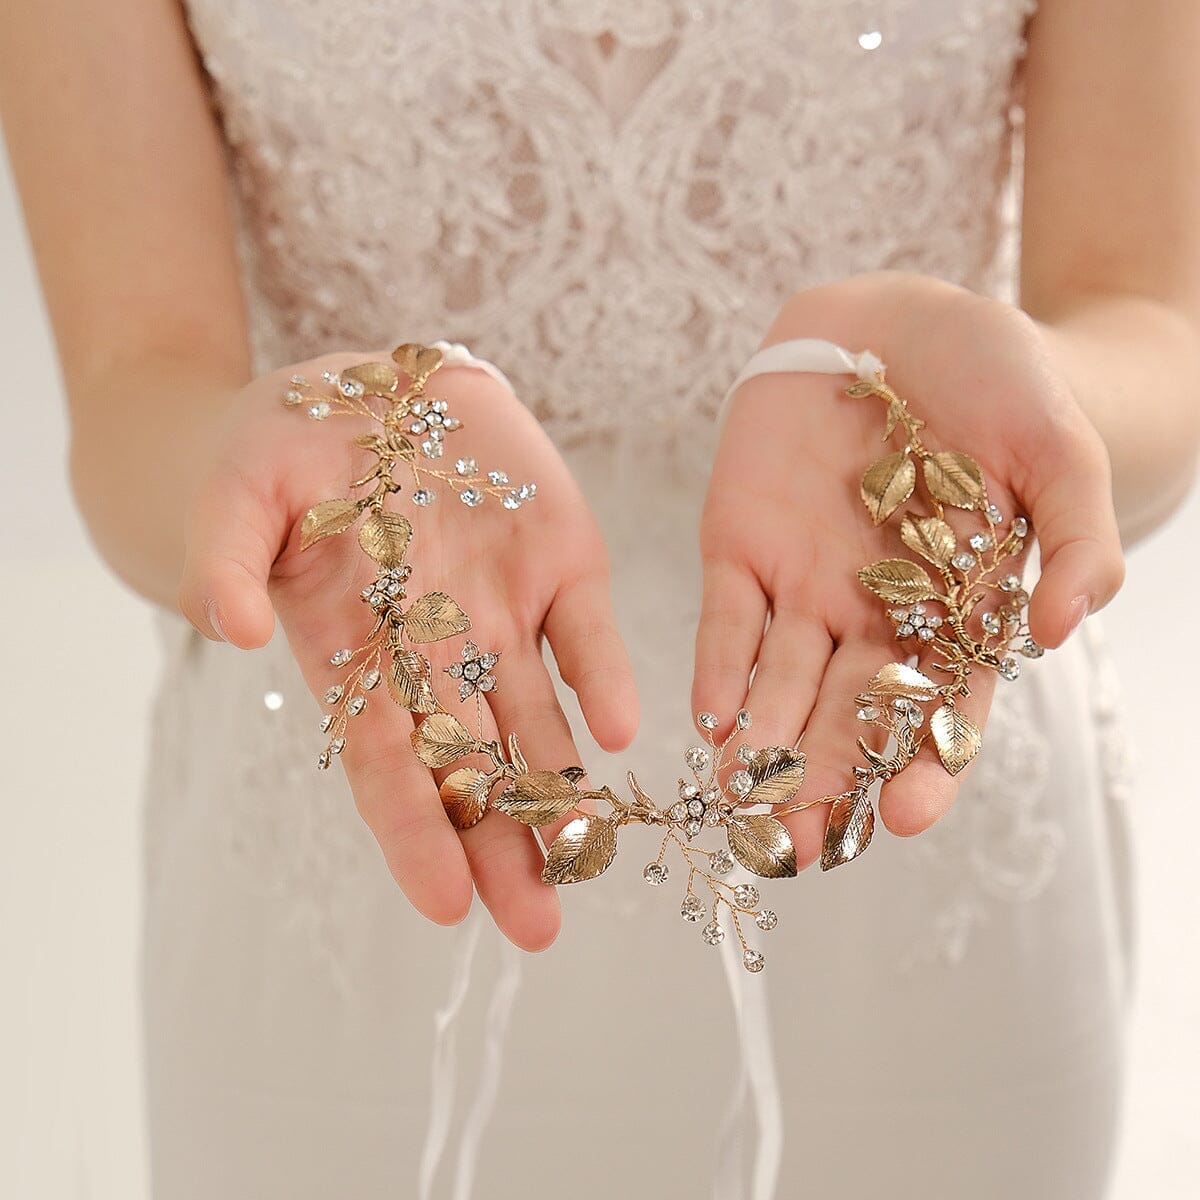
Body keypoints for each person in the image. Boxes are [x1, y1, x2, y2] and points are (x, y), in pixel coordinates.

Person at [2, 1, 1197, 1196]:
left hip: (904, 784)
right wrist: (263, 467)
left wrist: (1030, 399)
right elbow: (132, 386)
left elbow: (1148, 323)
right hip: (380, 772)